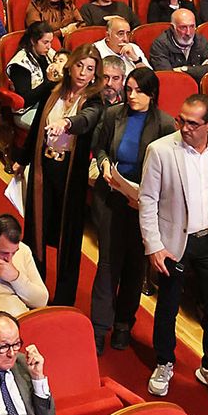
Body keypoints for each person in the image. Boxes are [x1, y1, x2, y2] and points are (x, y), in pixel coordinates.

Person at [137, 97, 208, 404]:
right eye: (181, 120)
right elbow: (147, 201)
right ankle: (164, 363)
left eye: (192, 123)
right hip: (174, 242)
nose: (184, 128)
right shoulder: (160, 150)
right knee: (168, 307)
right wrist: (154, 246)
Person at [89, 68, 171, 353]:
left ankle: (124, 323)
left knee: (135, 265)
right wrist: (102, 163)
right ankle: (99, 327)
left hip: (144, 205)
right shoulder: (114, 115)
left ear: (152, 94)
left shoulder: (165, 124)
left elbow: (168, 170)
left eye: (138, 91)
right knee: (108, 263)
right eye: (129, 89)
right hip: (112, 197)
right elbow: (99, 147)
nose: (131, 95)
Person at [20, 47, 102, 308]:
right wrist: (21, 160)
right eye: (80, 66)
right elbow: (36, 128)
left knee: (68, 239)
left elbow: (85, 120)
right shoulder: (53, 90)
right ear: (70, 66)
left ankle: (63, 299)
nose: (83, 73)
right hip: (44, 167)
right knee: (37, 230)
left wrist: (66, 124)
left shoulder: (94, 100)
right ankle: (34, 291)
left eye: (90, 69)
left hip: (71, 176)